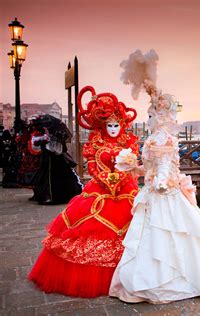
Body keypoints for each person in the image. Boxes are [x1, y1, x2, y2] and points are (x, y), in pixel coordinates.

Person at [109, 79, 200, 303]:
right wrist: (135, 168)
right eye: (150, 115)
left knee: (170, 232)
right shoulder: (155, 138)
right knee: (155, 235)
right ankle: (153, 279)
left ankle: (178, 279)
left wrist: (161, 181)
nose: (149, 119)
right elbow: (153, 166)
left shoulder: (164, 138)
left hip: (164, 192)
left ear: (162, 116)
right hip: (155, 191)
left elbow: (165, 165)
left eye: (152, 115)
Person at [29, 86, 139, 298]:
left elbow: (132, 166)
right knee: (87, 226)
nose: (114, 129)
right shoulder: (96, 142)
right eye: (110, 125)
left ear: (122, 124)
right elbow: (92, 166)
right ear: (102, 125)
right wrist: (105, 179)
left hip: (125, 189)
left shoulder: (129, 142)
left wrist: (122, 178)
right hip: (100, 190)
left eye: (117, 124)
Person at [30, 115, 83, 204]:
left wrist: (47, 143)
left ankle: (53, 197)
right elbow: (37, 147)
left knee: (55, 179)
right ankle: (45, 196)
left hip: (55, 162)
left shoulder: (56, 137)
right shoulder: (46, 136)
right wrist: (44, 141)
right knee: (44, 178)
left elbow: (57, 150)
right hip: (47, 161)